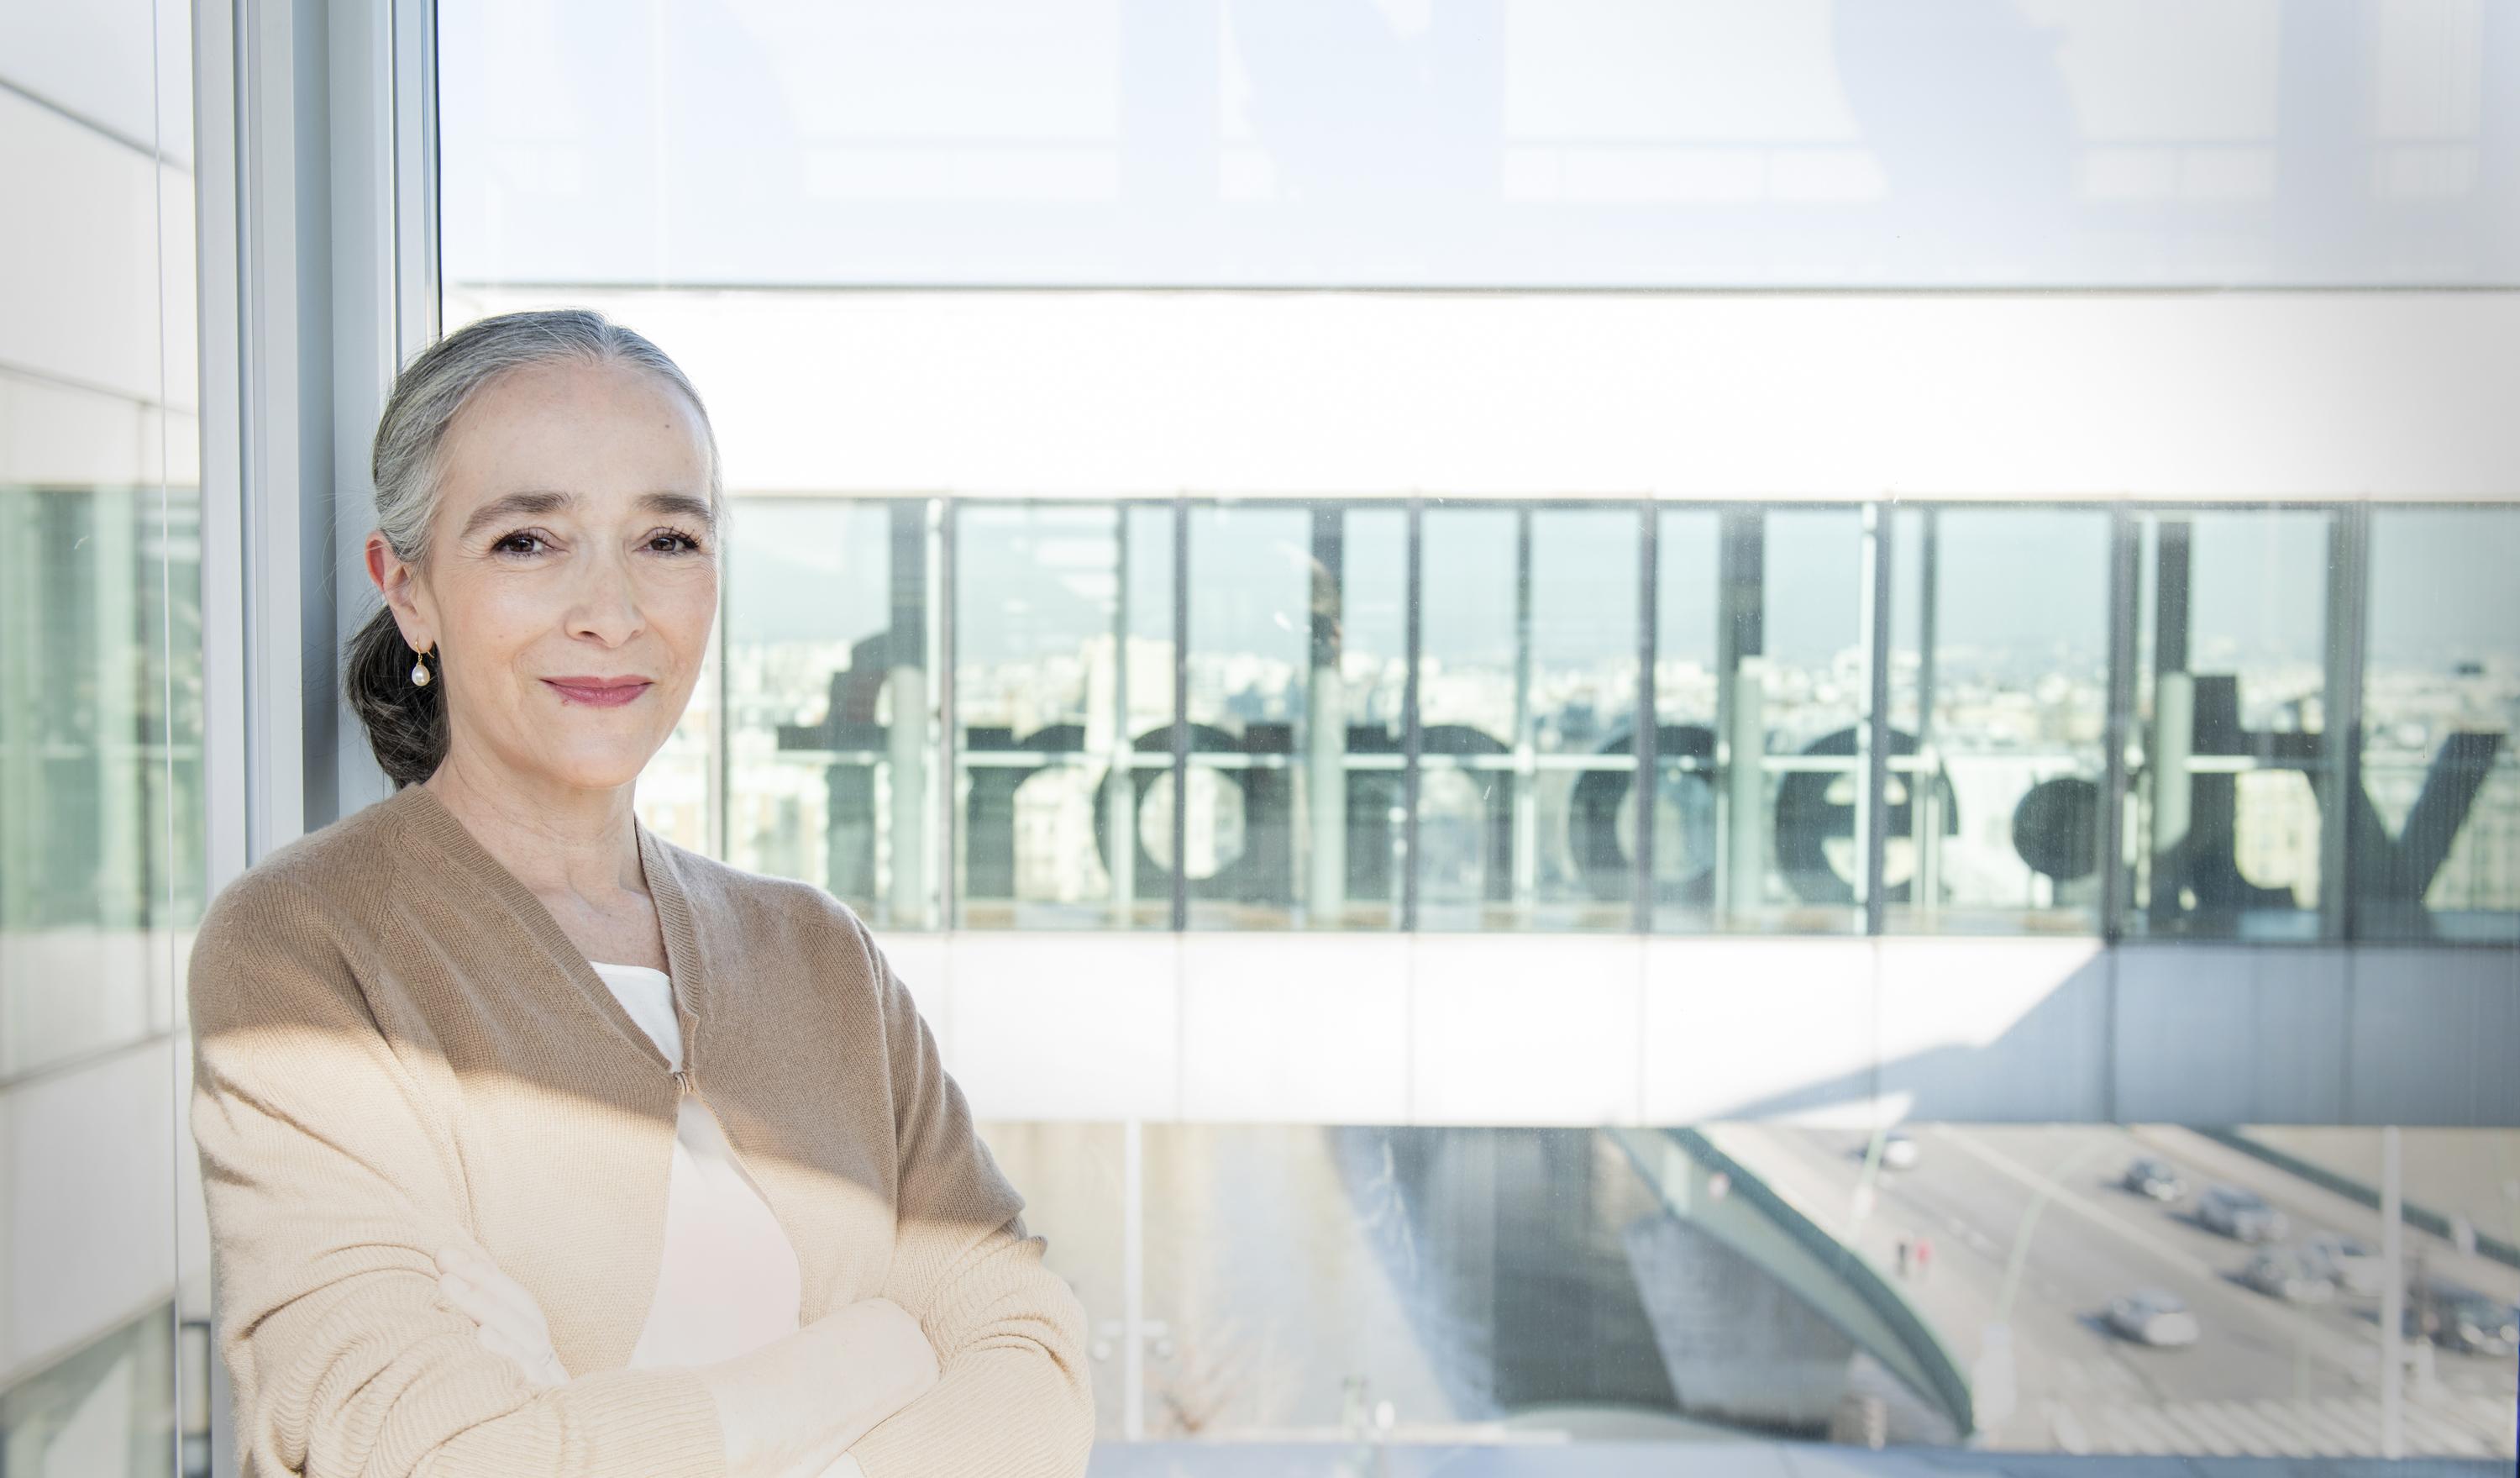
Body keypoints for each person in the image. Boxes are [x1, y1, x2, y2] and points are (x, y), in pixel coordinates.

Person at [186, 308, 1094, 1478]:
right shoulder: (306, 948)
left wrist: (581, 1412)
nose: (610, 612)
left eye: (667, 540)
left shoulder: (819, 955)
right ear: (408, 589)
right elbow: (426, 1459)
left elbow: (1035, 1368)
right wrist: (869, 1360)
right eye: (528, 542)